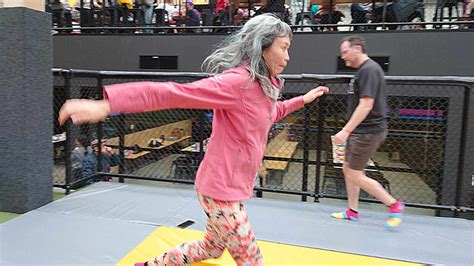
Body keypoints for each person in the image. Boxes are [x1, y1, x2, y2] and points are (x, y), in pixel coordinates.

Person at [59, 14, 328, 265]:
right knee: (252, 260)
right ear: (263, 46)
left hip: (226, 188)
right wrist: (108, 105)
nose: (288, 56)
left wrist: (302, 100)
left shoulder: (264, 86)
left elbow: (270, 113)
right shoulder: (237, 83)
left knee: (211, 248)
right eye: (283, 47)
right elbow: (174, 93)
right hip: (220, 191)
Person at [331, 35, 405, 229]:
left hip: (367, 132)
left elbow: (366, 105)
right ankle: (352, 211)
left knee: (354, 173)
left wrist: (345, 131)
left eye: (345, 52)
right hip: (363, 131)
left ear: (357, 49)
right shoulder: (365, 70)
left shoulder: (369, 70)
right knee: (351, 170)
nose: (343, 57)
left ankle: (394, 205)